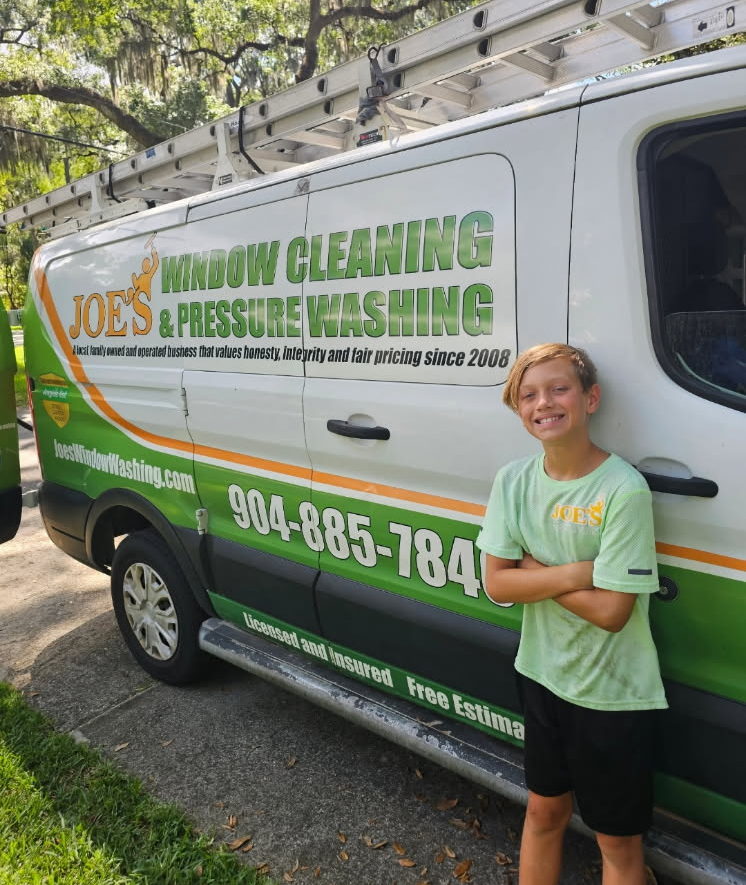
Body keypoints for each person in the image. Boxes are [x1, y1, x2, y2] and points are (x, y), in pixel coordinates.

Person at [476, 343, 667, 885]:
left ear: (590, 398)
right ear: (518, 410)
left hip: (612, 694)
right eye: (529, 395)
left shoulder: (623, 490)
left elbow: (611, 612)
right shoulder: (513, 480)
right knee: (543, 813)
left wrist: (535, 570)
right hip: (541, 674)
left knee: (617, 843)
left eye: (559, 389)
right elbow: (497, 583)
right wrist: (579, 571)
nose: (545, 404)